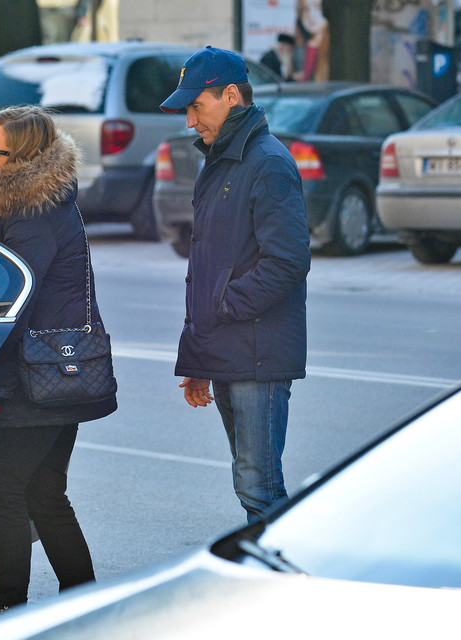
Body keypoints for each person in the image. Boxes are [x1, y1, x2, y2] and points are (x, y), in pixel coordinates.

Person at [0, 105, 117, 613]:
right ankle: (83, 603)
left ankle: (6, 606)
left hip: (35, 377)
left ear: (23, 159)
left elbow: (13, 299)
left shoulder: (28, 214)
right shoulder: (49, 203)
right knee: (46, 493)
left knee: (3, 486)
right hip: (58, 369)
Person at [159, 46, 311, 523]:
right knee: (252, 486)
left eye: (195, 107)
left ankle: (282, 588)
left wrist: (225, 305)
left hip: (258, 357)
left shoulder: (267, 161)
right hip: (233, 352)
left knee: (261, 489)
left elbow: (287, 263)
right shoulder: (223, 160)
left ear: (230, 96)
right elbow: (207, 268)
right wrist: (201, 359)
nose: (189, 122)